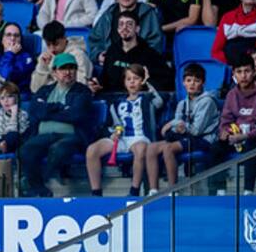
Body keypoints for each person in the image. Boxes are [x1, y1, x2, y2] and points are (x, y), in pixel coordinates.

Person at [21, 53, 94, 197]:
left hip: (71, 135)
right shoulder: (44, 90)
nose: (68, 72)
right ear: (54, 72)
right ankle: (40, 188)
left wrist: (48, 110)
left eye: (71, 68)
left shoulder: (83, 91)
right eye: (63, 69)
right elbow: (35, 111)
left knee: (59, 149)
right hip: (44, 135)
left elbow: (76, 115)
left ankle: (40, 181)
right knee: (26, 150)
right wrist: (62, 108)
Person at [88, 64, 161, 196]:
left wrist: (148, 84)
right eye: (128, 79)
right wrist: (114, 133)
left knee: (140, 150)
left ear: (142, 81)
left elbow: (159, 102)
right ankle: (96, 192)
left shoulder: (147, 99)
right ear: (124, 82)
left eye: (136, 78)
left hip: (140, 137)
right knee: (92, 150)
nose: (132, 82)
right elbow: (113, 124)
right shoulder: (116, 103)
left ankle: (134, 190)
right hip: (122, 139)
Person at [212, 51, 256, 194]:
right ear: (234, 74)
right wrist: (225, 131)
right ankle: (219, 191)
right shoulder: (232, 94)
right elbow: (225, 120)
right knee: (215, 147)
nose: (243, 75)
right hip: (236, 138)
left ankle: (248, 191)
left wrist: (246, 135)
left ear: (254, 72)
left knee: (252, 146)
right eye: (239, 72)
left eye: (247, 71)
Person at [150, 62, 219, 191]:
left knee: (168, 148)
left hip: (204, 139)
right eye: (189, 80)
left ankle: (172, 190)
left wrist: (173, 124)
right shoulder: (182, 103)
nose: (192, 84)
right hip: (187, 137)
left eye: (196, 80)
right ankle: (153, 191)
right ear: (183, 83)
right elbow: (178, 126)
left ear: (202, 83)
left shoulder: (207, 101)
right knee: (152, 148)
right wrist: (178, 126)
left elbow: (196, 130)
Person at [89, 0, 165, 65]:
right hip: (112, 64)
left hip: (139, 67)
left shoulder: (148, 14)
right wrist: (98, 55)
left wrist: (139, 61)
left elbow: (155, 45)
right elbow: (94, 40)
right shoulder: (108, 14)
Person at [32, 21, 92, 91]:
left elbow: (79, 85)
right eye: (48, 45)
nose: (52, 49)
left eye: (56, 44)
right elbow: (35, 89)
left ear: (65, 38)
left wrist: (48, 85)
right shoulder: (45, 58)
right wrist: (42, 67)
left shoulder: (78, 55)